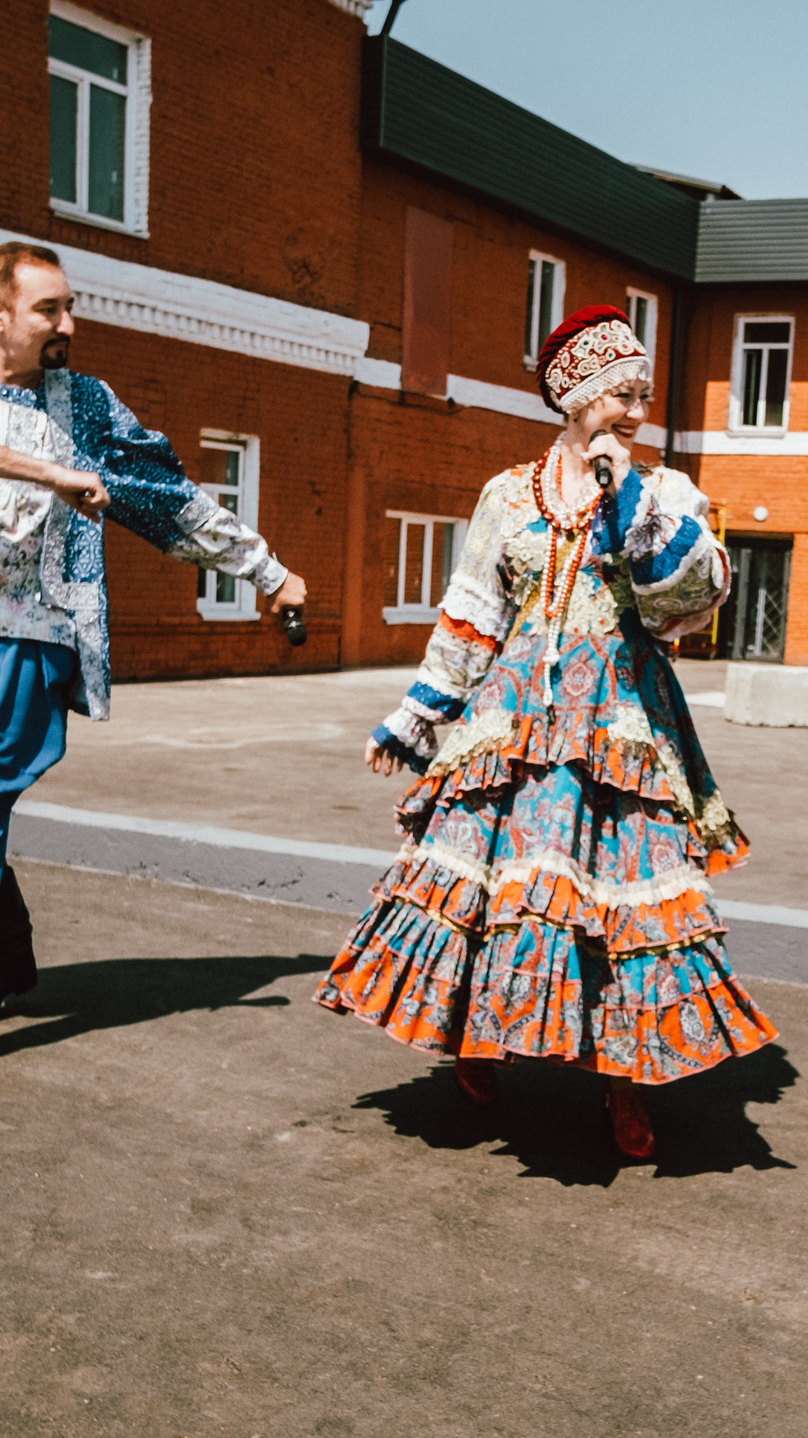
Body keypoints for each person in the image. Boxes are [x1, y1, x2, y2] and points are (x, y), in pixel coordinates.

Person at [315, 305, 773, 1160]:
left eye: (642, 392)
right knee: (500, 889)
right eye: (618, 393)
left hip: (619, 726)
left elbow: (696, 599)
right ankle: (478, 1041)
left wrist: (626, 495)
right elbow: (471, 616)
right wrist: (416, 717)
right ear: (574, 395)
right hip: (514, 726)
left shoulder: (664, 493)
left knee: (619, 908)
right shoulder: (504, 495)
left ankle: (625, 1080)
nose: (636, 409)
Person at [0, 242, 308, 1070]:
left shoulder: (86, 404)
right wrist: (56, 473)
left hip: (27, 633)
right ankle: (14, 952)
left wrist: (268, 572)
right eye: (49, 308)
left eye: (70, 305)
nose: (69, 322)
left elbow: (170, 500)